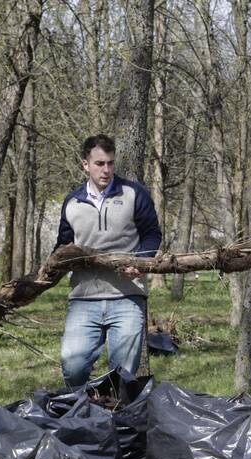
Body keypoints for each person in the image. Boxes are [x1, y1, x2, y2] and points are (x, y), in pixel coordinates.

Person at [54, 134, 162, 387]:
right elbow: (63, 245)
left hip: (127, 296)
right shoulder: (72, 202)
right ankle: (82, 414)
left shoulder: (134, 194)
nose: (106, 170)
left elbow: (152, 234)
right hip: (84, 298)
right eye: (100, 164)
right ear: (85, 164)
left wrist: (142, 261)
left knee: (121, 376)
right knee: (73, 366)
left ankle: (112, 419)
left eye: (110, 163)